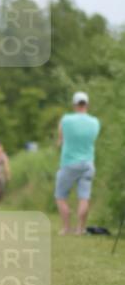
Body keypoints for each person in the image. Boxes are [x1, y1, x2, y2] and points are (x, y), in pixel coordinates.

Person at [55, 91, 101, 235]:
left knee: (61, 196)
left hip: (69, 162)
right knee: (84, 197)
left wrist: (60, 142)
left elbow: (60, 139)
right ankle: (80, 229)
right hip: (88, 163)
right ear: (87, 104)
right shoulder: (95, 122)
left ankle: (67, 227)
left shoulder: (66, 120)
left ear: (74, 104)